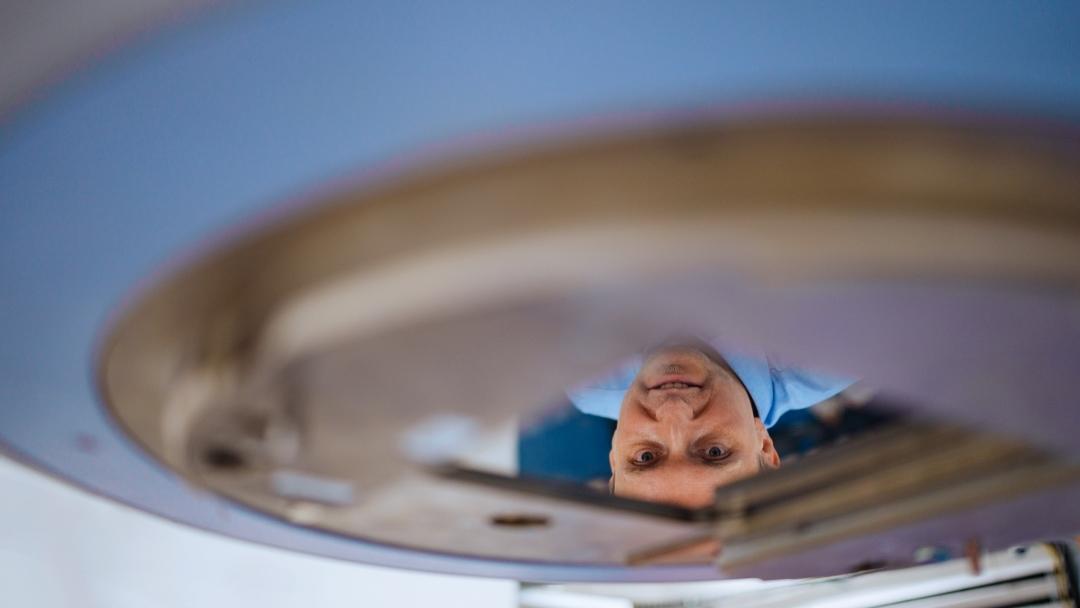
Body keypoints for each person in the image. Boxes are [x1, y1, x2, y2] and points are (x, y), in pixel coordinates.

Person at [568, 338, 852, 508]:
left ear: (615, 461)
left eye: (645, 457)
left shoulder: (581, 380)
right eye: (714, 451)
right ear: (764, 446)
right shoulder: (842, 349)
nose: (673, 410)